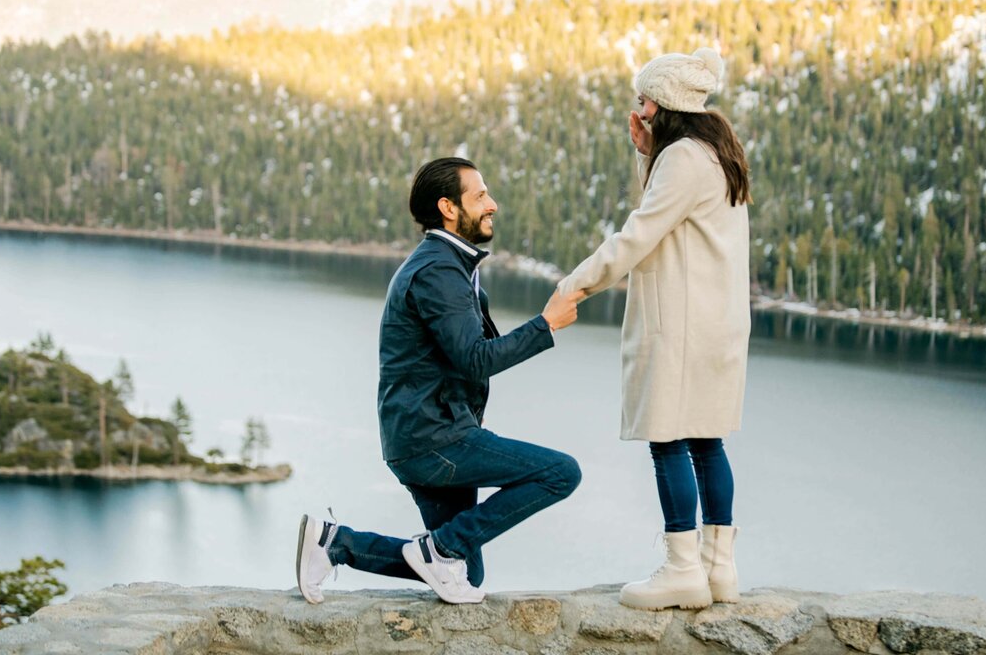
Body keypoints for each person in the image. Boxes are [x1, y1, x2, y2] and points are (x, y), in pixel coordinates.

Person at [296, 156, 584, 605]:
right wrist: (545, 326)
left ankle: (336, 545)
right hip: (434, 439)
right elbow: (474, 359)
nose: (493, 205)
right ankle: (438, 550)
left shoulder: (451, 266)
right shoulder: (438, 270)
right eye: (481, 195)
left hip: (425, 433)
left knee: (463, 572)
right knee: (560, 472)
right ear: (448, 207)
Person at [558, 48, 751, 610]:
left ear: (663, 104)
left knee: (667, 442)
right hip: (717, 323)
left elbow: (639, 234)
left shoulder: (683, 159)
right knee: (706, 442)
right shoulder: (716, 153)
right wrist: (647, 155)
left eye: (642, 100)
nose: (636, 111)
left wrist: (573, 285)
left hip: (683, 326)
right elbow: (667, 216)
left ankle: (681, 570)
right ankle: (718, 570)